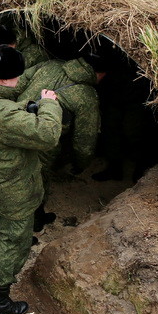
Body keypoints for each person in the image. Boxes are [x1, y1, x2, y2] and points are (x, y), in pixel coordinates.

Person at [0, 45, 62, 314]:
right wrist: (49, 104)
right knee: (14, 240)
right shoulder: (3, 114)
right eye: (16, 77)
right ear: (7, 79)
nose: (18, 81)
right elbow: (47, 134)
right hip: (13, 187)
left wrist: (23, 108)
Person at [16, 53, 108, 231]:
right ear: (99, 74)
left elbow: (18, 83)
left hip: (15, 121)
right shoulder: (86, 95)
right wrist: (81, 163)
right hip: (42, 139)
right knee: (38, 177)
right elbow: (85, 138)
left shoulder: (50, 64)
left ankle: (26, 212)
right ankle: (34, 220)